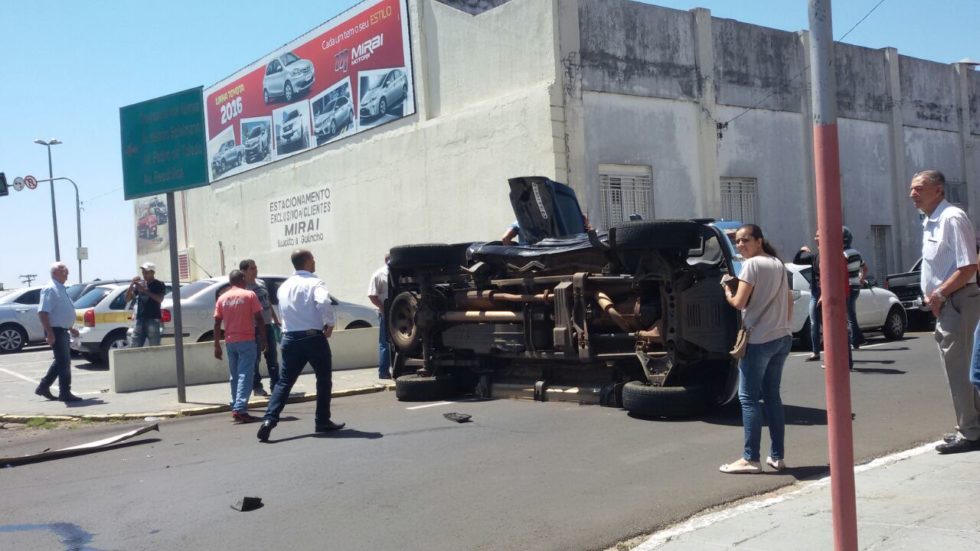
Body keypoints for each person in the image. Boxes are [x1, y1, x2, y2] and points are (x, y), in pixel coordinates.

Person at [909, 169, 980, 454]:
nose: (912, 194)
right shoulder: (930, 221)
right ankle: (970, 426)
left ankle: (970, 431)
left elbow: (967, 267)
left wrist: (938, 294)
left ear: (938, 189)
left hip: (958, 300)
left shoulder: (952, 218)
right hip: (948, 302)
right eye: (912, 189)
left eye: (919, 188)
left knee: (962, 368)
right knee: (959, 368)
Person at [719, 224, 793, 474]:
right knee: (772, 396)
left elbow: (739, 303)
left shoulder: (751, 265)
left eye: (745, 240)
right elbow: (789, 300)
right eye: (737, 241)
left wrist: (727, 289)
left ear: (759, 240)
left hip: (759, 339)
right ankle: (777, 456)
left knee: (748, 398)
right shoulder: (778, 264)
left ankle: (751, 458)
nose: (740, 245)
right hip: (782, 337)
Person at [257, 249, 345, 441]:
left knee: (284, 382)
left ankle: (269, 420)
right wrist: (329, 324)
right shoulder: (315, 282)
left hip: (290, 338)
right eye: (313, 259)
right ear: (306, 262)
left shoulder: (284, 286)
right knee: (323, 379)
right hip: (313, 337)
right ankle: (322, 420)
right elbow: (323, 302)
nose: (315, 262)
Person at [214, 270, 266, 423]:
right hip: (247, 340)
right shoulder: (249, 295)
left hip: (230, 341)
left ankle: (236, 404)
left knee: (235, 375)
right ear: (242, 279)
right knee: (245, 375)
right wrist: (264, 339)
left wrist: (216, 344)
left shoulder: (222, 298)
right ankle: (240, 409)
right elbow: (259, 318)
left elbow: (217, 322)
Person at [35, 262, 82, 402]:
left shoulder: (60, 288)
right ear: (55, 273)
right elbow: (43, 312)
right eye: (63, 271)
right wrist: (49, 333)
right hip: (55, 331)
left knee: (60, 361)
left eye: (67, 270)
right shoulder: (50, 289)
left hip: (62, 330)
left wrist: (70, 327)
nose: (67, 273)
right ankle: (65, 392)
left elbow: (59, 313)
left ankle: (43, 387)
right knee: (64, 362)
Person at [240, 259, 281, 397]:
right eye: (252, 268)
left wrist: (275, 318)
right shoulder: (244, 288)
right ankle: (257, 386)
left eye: (256, 267)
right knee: (255, 358)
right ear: (244, 271)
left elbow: (267, 301)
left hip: (268, 325)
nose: (255, 270)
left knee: (272, 356)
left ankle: (276, 385)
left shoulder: (261, 283)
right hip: (254, 327)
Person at [793, 231, 823, 361]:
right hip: (815, 293)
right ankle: (815, 352)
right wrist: (801, 251)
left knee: (830, 324)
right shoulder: (814, 257)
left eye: (818, 235)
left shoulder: (830, 255)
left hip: (826, 293)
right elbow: (797, 261)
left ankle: (841, 352)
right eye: (815, 235)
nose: (816, 238)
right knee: (814, 323)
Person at [126, 262, 166, 347]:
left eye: (147, 272)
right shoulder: (140, 284)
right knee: (134, 345)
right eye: (143, 272)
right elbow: (127, 299)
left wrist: (144, 290)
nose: (144, 275)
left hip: (153, 319)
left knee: (154, 346)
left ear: (153, 273)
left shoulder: (159, 284)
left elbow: (159, 299)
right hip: (140, 319)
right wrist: (132, 284)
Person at [842, 226, 868, 349]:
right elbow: (865, 267)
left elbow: (842, 271)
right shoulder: (856, 253)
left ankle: (855, 341)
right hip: (856, 285)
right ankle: (860, 338)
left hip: (848, 286)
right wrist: (861, 278)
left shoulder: (843, 255)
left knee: (850, 315)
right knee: (851, 313)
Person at [367, 253, 391, 379]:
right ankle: (383, 372)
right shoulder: (378, 274)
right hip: (386, 313)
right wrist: (383, 309)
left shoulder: (401, 272)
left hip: (401, 312)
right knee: (385, 343)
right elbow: (372, 295)